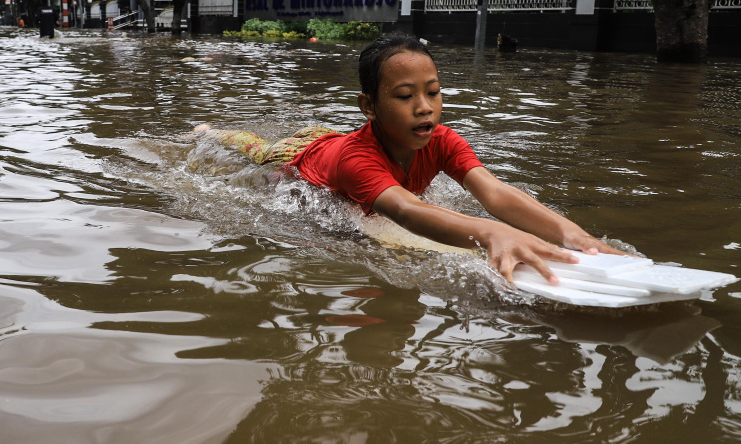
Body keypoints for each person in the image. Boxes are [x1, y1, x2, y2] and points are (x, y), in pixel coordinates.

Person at [196, 33, 621, 284]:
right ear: (370, 105)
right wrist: (491, 234)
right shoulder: (356, 162)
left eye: (433, 92)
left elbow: (493, 192)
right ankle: (210, 131)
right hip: (298, 157)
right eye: (404, 96)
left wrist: (571, 234)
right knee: (245, 148)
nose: (424, 107)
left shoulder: (441, 139)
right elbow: (406, 209)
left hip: (335, 141)